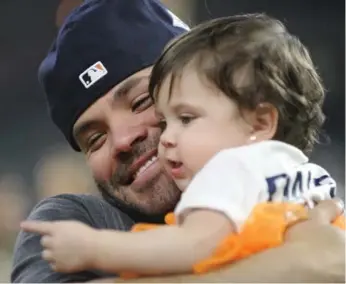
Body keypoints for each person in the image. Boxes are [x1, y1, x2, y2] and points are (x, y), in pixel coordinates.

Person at [12, 0, 345, 283]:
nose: (123, 140)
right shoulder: (71, 219)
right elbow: (323, 260)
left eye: (143, 101)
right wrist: (303, 262)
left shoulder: (254, 173)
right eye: (95, 139)